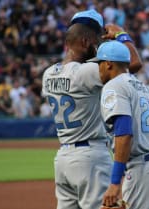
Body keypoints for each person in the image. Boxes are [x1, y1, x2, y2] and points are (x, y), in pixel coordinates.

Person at [41, 9, 142, 209]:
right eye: (97, 42)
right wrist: (121, 34)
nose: (100, 48)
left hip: (63, 158)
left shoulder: (48, 74)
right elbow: (132, 64)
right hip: (90, 157)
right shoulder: (84, 72)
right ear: (86, 42)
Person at [88, 41, 149, 209]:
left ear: (108, 64)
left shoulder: (114, 86)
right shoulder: (146, 89)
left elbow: (124, 133)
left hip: (143, 170)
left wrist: (115, 183)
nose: (97, 68)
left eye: (99, 63)